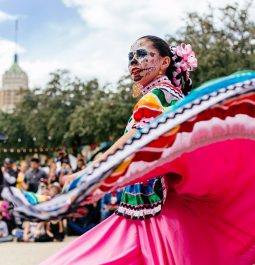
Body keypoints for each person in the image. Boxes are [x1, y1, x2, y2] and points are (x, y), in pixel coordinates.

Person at [41, 35, 198, 264]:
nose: (134, 62)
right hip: (155, 209)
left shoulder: (155, 98)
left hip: (150, 212)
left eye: (142, 55)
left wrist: (86, 174)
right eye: (130, 57)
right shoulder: (171, 96)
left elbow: (130, 143)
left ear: (164, 63)